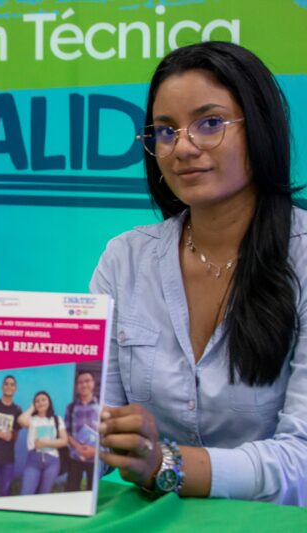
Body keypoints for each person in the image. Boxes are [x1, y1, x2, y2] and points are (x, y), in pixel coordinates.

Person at [93, 41, 306, 505]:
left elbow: (302, 461)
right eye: (165, 131)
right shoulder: (124, 259)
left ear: (260, 128)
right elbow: (94, 430)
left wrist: (166, 464)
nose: (183, 148)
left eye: (210, 124)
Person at [18, 391, 68, 495]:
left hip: (52, 461)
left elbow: (64, 441)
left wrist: (46, 443)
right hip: (33, 460)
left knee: (44, 493)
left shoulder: (57, 419)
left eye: (43, 400)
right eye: (37, 401)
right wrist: (31, 408)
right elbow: (20, 420)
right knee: (26, 493)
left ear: (49, 402)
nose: (40, 403)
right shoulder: (32, 420)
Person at [64, 371, 99, 492]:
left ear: (93, 383)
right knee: (71, 491)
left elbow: (107, 434)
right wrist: (78, 447)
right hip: (75, 457)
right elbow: (66, 432)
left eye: (87, 381)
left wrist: (95, 450)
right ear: (76, 386)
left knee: (92, 492)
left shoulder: (101, 407)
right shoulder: (71, 407)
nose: (84, 385)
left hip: (95, 458)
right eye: (80, 382)